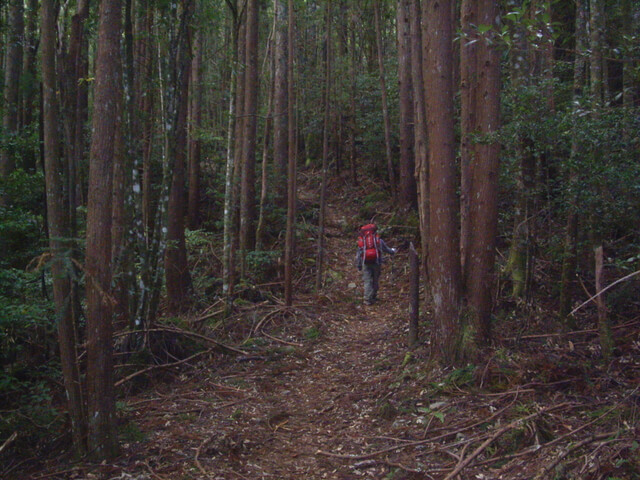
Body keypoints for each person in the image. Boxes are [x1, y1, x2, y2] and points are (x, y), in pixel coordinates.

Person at [355, 224, 396, 305]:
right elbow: (386, 249)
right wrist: (393, 251)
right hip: (377, 262)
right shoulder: (378, 240)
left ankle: (367, 299)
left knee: (367, 280)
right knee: (375, 279)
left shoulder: (362, 242)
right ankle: (373, 296)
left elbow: (359, 255)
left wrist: (359, 265)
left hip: (365, 262)